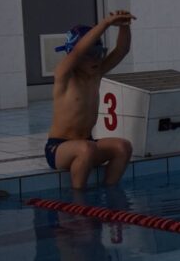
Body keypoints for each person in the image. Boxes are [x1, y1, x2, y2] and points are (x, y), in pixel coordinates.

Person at [45, 11, 135, 189]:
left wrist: (124, 26)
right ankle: (79, 198)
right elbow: (78, 50)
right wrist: (106, 23)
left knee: (123, 147)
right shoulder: (64, 76)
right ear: (74, 57)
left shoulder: (95, 74)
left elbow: (122, 50)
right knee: (86, 149)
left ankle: (109, 192)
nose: (96, 59)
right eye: (90, 54)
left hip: (87, 143)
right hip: (59, 148)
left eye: (99, 53)